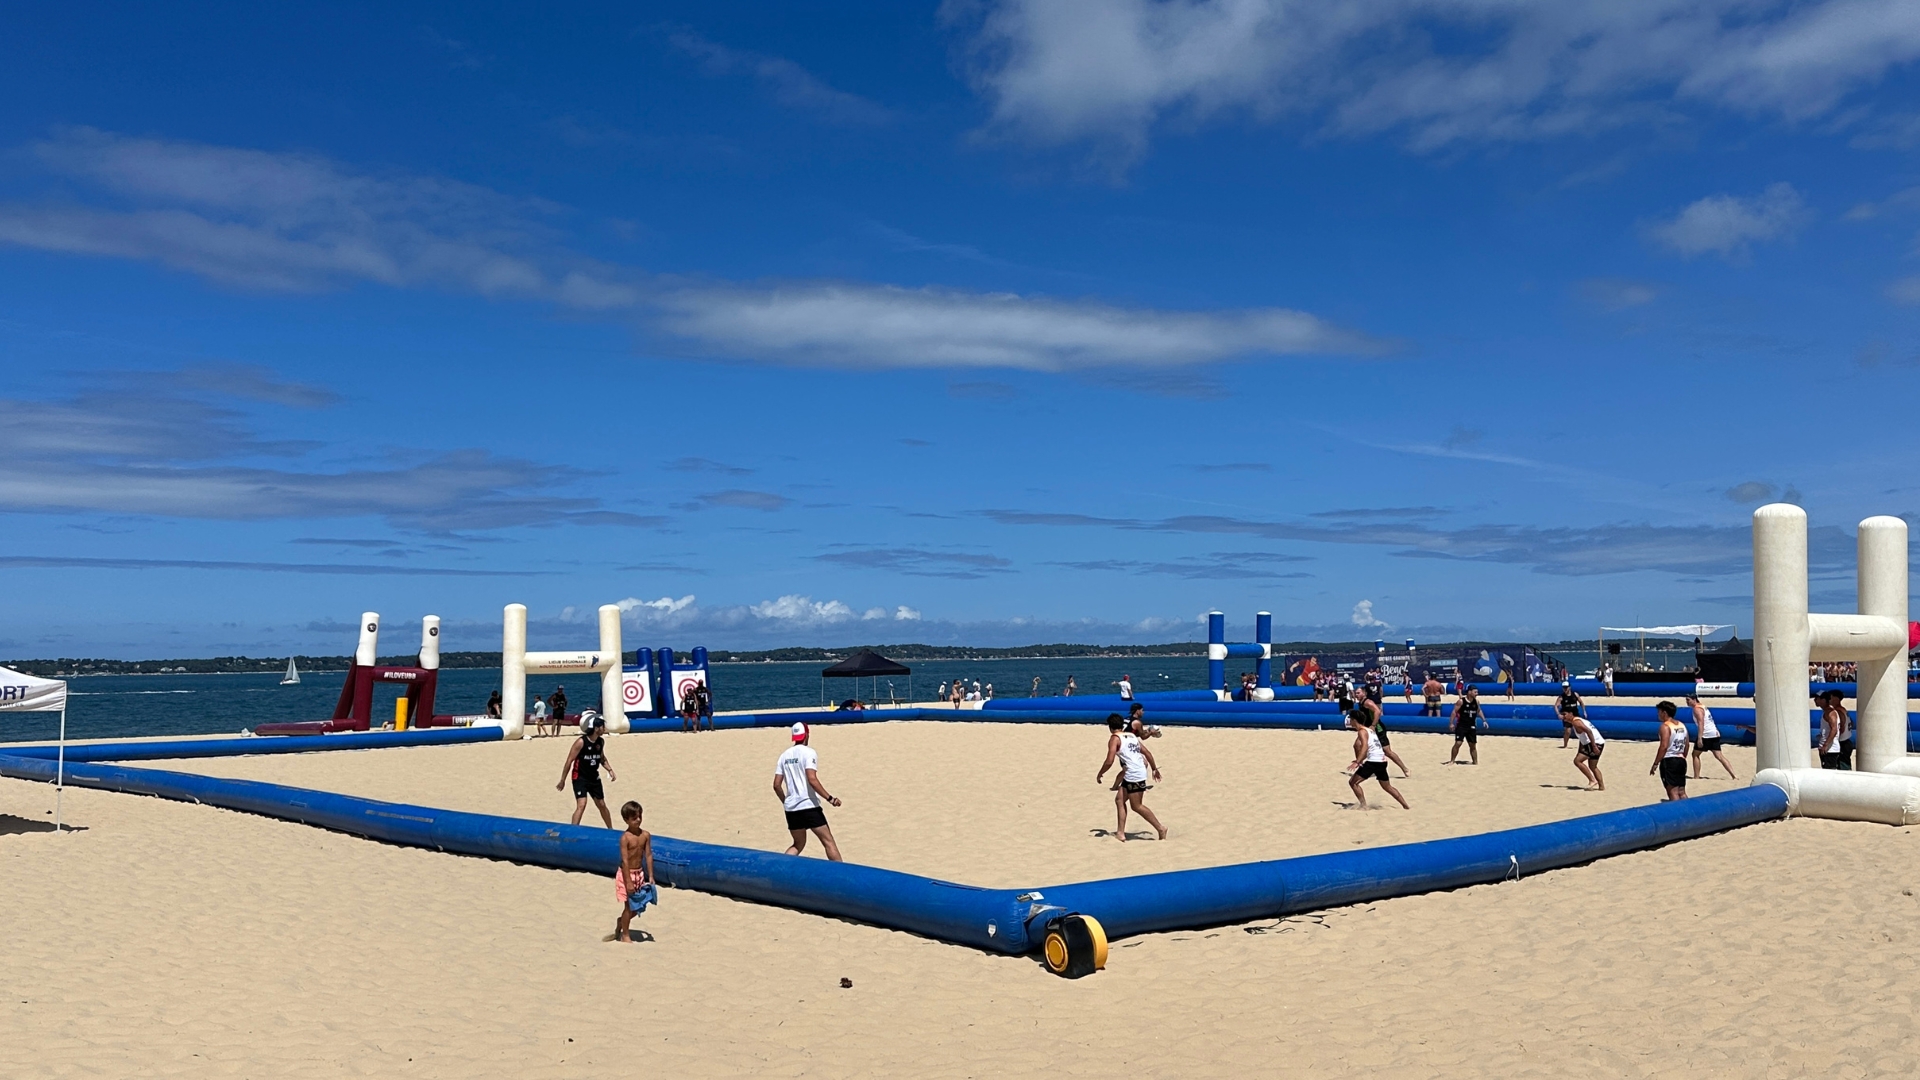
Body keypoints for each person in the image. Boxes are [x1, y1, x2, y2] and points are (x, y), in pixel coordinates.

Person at [774, 722, 844, 861]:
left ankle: (781, 868)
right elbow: (812, 779)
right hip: (808, 807)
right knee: (828, 842)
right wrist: (830, 799)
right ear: (806, 734)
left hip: (791, 809)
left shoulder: (784, 755)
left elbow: (776, 785)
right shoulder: (809, 752)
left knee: (798, 844)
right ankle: (841, 875)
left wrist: (786, 801)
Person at [1096, 713, 1167, 841]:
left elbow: (1109, 760)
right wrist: (1154, 768)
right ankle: (1120, 833)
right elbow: (1147, 753)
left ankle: (1160, 828)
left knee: (1137, 806)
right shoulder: (1132, 735)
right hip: (1135, 772)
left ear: (1110, 727)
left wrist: (1101, 773)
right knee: (1119, 800)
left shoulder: (1115, 738)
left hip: (1134, 774)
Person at [557, 711, 617, 828]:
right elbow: (569, 761)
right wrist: (562, 780)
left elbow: (602, 758)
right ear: (596, 728)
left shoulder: (600, 742)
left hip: (594, 777)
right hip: (580, 777)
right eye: (602, 726)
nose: (604, 729)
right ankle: (573, 830)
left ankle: (611, 830)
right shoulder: (581, 742)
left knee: (601, 804)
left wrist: (610, 770)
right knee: (582, 804)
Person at [1347, 709, 1410, 810]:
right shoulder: (1370, 730)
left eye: (1350, 718)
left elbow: (1364, 747)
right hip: (1382, 761)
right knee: (1387, 787)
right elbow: (1360, 746)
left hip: (1373, 762)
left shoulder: (1362, 732)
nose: (1349, 720)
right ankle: (1406, 806)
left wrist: (1357, 761)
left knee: (1353, 782)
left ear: (1354, 720)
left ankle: (1363, 806)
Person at [614, 800, 656, 943]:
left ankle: (621, 921)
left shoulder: (645, 835)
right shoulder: (625, 838)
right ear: (626, 820)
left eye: (639, 817)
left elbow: (648, 855)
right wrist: (628, 881)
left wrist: (650, 875)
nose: (638, 820)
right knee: (629, 906)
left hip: (639, 873)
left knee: (639, 905)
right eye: (634, 818)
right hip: (626, 874)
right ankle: (625, 934)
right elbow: (625, 861)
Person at [1350, 695, 1409, 778]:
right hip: (1367, 729)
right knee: (1357, 745)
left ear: (1364, 693)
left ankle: (1404, 768)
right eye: (1356, 693)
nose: (1356, 694)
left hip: (1378, 729)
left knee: (1387, 751)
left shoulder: (1368, 702)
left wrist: (1373, 725)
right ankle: (1361, 766)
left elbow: (1378, 711)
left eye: (1358, 692)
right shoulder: (1360, 703)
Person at [1688, 694, 1736, 779]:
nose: (1687, 702)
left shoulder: (1697, 709)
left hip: (1706, 735)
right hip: (1714, 733)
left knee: (1695, 754)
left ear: (1694, 699)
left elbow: (1701, 723)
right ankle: (1734, 775)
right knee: (1719, 756)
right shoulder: (1703, 706)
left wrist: (1699, 738)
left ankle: (1696, 776)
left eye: (1688, 700)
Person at [1651, 701, 1690, 800]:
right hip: (1681, 759)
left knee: (1672, 791)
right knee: (1681, 791)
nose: (1657, 714)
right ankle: (1689, 812)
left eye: (1659, 712)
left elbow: (1664, 746)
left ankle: (1678, 813)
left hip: (1669, 760)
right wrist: (1683, 756)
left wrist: (1656, 763)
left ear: (1664, 713)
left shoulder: (1665, 727)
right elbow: (1687, 744)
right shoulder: (1682, 725)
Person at [1568, 712, 1606, 791]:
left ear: (1571, 714)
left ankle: (1592, 780)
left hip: (1594, 743)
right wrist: (1580, 751)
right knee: (1593, 766)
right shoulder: (1579, 721)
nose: (1563, 716)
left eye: (1564, 714)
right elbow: (1582, 738)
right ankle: (1601, 787)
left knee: (1577, 761)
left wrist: (1594, 746)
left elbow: (1588, 731)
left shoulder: (1576, 722)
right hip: (1599, 742)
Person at [1448, 686, 1483, 765]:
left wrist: (1484, 720)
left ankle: (1475, 762)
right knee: (1458, 743)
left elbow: (1479, 711)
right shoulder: (1461, 701)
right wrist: (1451, 723)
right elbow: (1454, 712)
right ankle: (1452, 760)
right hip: (1461, 725)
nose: (1477, 694)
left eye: (1477, 692)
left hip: (1471, 726)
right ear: (1469, 692)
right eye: (1475, 692)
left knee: (1472, 745)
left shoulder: (1476, 702)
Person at [1818, 691, 1852, 770]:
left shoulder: (1837, 712)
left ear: (1836, 698)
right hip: (1846, 741)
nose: (1829, 699)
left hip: (1842, 743)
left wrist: (1829, 741)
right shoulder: (1843, 710)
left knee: (1842, 769)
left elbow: (1839, 729)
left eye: (1831, 697)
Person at [1555, 680, 1585, 748]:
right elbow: (1556, 706)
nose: (1565, 689)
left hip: (1575, 714)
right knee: (1568, 731)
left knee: (1580, 730)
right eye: (1564, 687)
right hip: (1566, 716)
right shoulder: (1561, 697)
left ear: (1569, 687)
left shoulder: (1575, 694)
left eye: (1566, 687)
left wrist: (1584, 711)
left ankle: (1583, 744)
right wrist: (1558, 714)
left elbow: (1581, 702)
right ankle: (1565, 745)